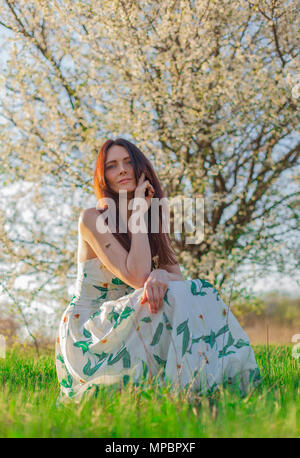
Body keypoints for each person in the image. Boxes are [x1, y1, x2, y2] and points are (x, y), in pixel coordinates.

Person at [55, 138, 262, 405]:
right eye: (112, 165)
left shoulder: (155, 217)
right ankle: (187, 393)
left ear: (142, 170)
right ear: (103, 175)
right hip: (90, 330)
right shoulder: (93, 218)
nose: (122, 170)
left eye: (128, 162)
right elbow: (138, 276)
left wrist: (162, 274)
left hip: (128, 317)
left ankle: (215, 386)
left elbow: (176, 278)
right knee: (170, 295)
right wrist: (139, 215)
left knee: (200, 290)